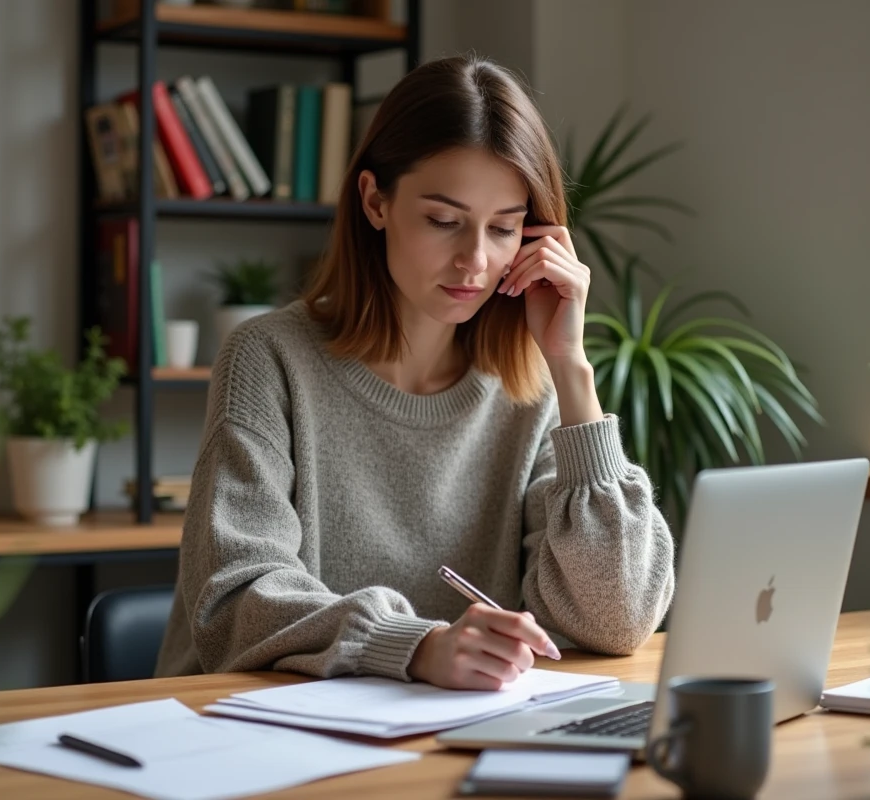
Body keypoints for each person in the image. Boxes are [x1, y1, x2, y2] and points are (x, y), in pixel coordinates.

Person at [155, 54, 675, 691]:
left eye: (505, 229)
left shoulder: (528, 389)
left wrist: (571, 368)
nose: (475, 261)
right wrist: (415, 644)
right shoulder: (268, 359)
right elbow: (236, 600)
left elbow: (617, 620)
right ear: (375, 201)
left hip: (441, 735)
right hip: (244, 732)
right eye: (443, 221)